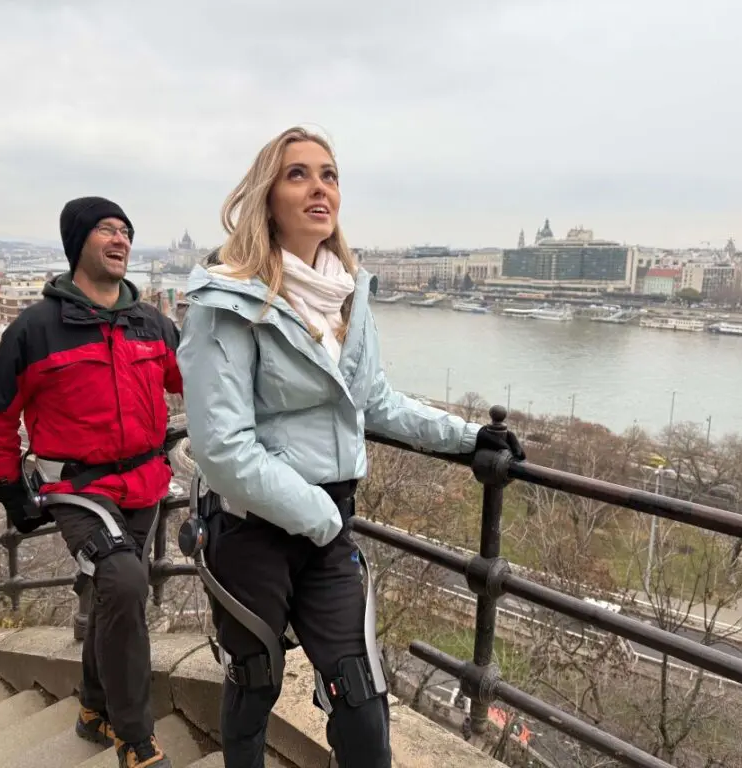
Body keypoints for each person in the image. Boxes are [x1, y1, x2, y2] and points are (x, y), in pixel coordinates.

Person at [176, 127, 525, 768]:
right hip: (256, 528)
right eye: (298, 174)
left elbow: (374, 401)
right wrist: (319, 514)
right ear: (267, 196)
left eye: (330, 175)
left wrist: (470, 436)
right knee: (255, 685)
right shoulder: (225, 303)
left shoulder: (348, 293)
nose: (319, 188)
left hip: (328, 527)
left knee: (363, 709)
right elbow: (220, 447)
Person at [0, 196, 182, 768]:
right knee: (123, 585)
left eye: (126, 231)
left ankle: (92, 708)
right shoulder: (36, 329)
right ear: (77, 244)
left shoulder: (153, 323)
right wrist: (10, 487)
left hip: (146, 484)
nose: (120, 240)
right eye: (105, 230)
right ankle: (133, 736)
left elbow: (198, 383)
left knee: (112, 595)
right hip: (78, 490)